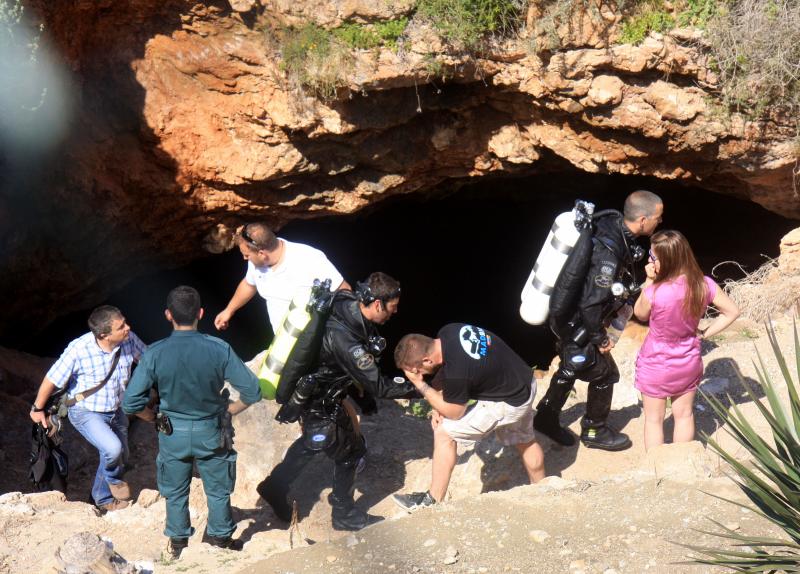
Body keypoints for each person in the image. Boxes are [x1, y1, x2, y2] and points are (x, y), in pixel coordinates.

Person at [256, 272, 416, 531]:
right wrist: (418, 388)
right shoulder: (346, 341)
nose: (394, 313)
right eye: (392, 308)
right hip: (318, 400)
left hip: (321, 393)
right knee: (349, 453)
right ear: (377, 304)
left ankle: (274, 486)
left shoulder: (345, 303)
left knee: (314, 442)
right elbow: (379, 386)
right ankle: (343, 514)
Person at [123, 286, 262, 559]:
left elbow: (131, 403)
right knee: (218, 490)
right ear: (200, 313)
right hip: (211, 429)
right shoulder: (218, 348)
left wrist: (152, 417)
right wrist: (231, 410)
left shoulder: (154, 353)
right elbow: (253, 391)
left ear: (167, 315)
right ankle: (220, 542)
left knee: (175, 491)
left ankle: (178, 546)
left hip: (172, 432)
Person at [533, 190, 664, 451]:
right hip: (579, 323)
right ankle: (595, 430)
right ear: (641, 220)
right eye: (657, 218)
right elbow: (591, 302)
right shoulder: (609, 253)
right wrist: (599, 337)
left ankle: (545, 418)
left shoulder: (609, 223)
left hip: (567, 318)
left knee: (571, 364)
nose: (659, 222)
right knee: (606, 374)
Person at [391, 324, 545, 511]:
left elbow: (455, 412)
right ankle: (542, 490)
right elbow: (448, 370)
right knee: (525, 440)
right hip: (523, 381)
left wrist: (421, 386)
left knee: (444, 433)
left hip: (509, 402)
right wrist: (438, 401)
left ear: (426, 360)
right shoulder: (449, 331)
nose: (418, 375)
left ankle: (431, 501)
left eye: (417, 371)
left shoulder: (459, 372)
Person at [29, 306, 146, 511]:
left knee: (122, 455)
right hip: (86, 411)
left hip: (115, 410)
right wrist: (37, 408)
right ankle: (106, 496)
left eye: (125, 322)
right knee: (112, 449)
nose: (128, 327)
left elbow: (149, 360)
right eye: (121, 327)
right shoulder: (79, 349)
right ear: (104, 335)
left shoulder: (129, 338)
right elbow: (52, 378)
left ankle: (97, 496)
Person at [633, 230, 739, 450]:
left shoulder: (655, 290)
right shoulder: (704, 284)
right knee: (684, 415)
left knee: (654, 420)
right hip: (688, 360)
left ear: (665, 260)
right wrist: (703, 333)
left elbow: (640, 314)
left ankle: (657, 469)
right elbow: (732, 312)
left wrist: (648, 280)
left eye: (652, 257)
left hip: (656, 363)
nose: (650, 261)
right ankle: (682, 463)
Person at [214, 222, 349, 335]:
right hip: (284, 342)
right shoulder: (256, 264)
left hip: (316, 340)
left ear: (262, 254)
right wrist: (229, 310)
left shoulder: (309, 258)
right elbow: (249, 284)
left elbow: (345, 291)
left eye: (247, 255)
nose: (244, 258)